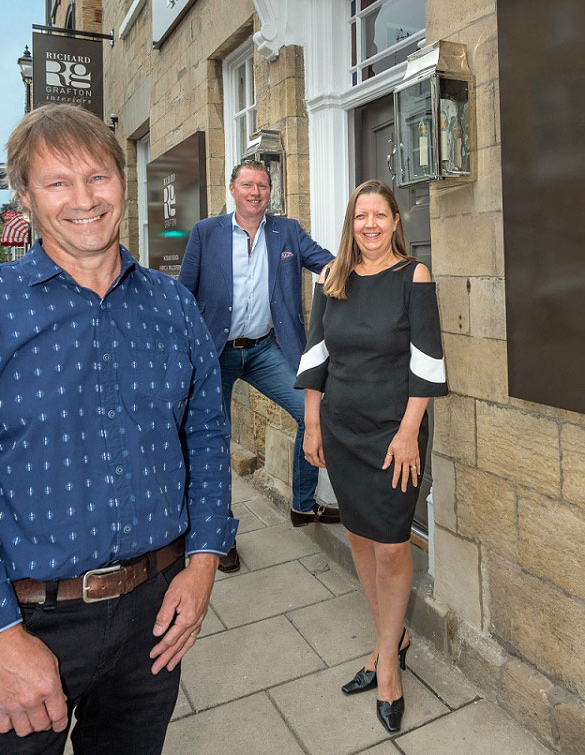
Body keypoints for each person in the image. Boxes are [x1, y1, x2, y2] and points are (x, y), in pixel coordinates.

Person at [0, 104, 237, 755]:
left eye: (98, 176)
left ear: (122, 180)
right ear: (25, 196)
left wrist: (201, 566)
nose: (83, 199)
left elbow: (206, 437)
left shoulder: (173, 306)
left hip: (154, 617)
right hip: (23, 620)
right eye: (57, 183)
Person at [295, 179, 447, 733]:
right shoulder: (331, 278)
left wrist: (409, 432)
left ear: (395, 222)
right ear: (351, 223)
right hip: (341, 431)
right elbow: (314, 357)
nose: (371, 225)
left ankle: (387, 664)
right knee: (360, 537)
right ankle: (392, 637)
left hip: (393, 436)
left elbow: (427, 362)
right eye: (362, 216)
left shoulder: (414, 277)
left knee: (390, 546)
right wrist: (312, 424)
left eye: (380, 215)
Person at [178, 160, 338, 573]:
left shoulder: (286, 231)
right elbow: (182, 296)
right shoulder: (205, 233)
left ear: (270, 191)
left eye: (262, 185)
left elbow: (328, 264)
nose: (255, 191)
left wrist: (378, 268)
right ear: (232, 189)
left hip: (269, 349)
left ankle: (303, 505)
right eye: (247, 184)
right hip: (217, 354)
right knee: (215, 442)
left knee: (311, 413)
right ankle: (220, 536)